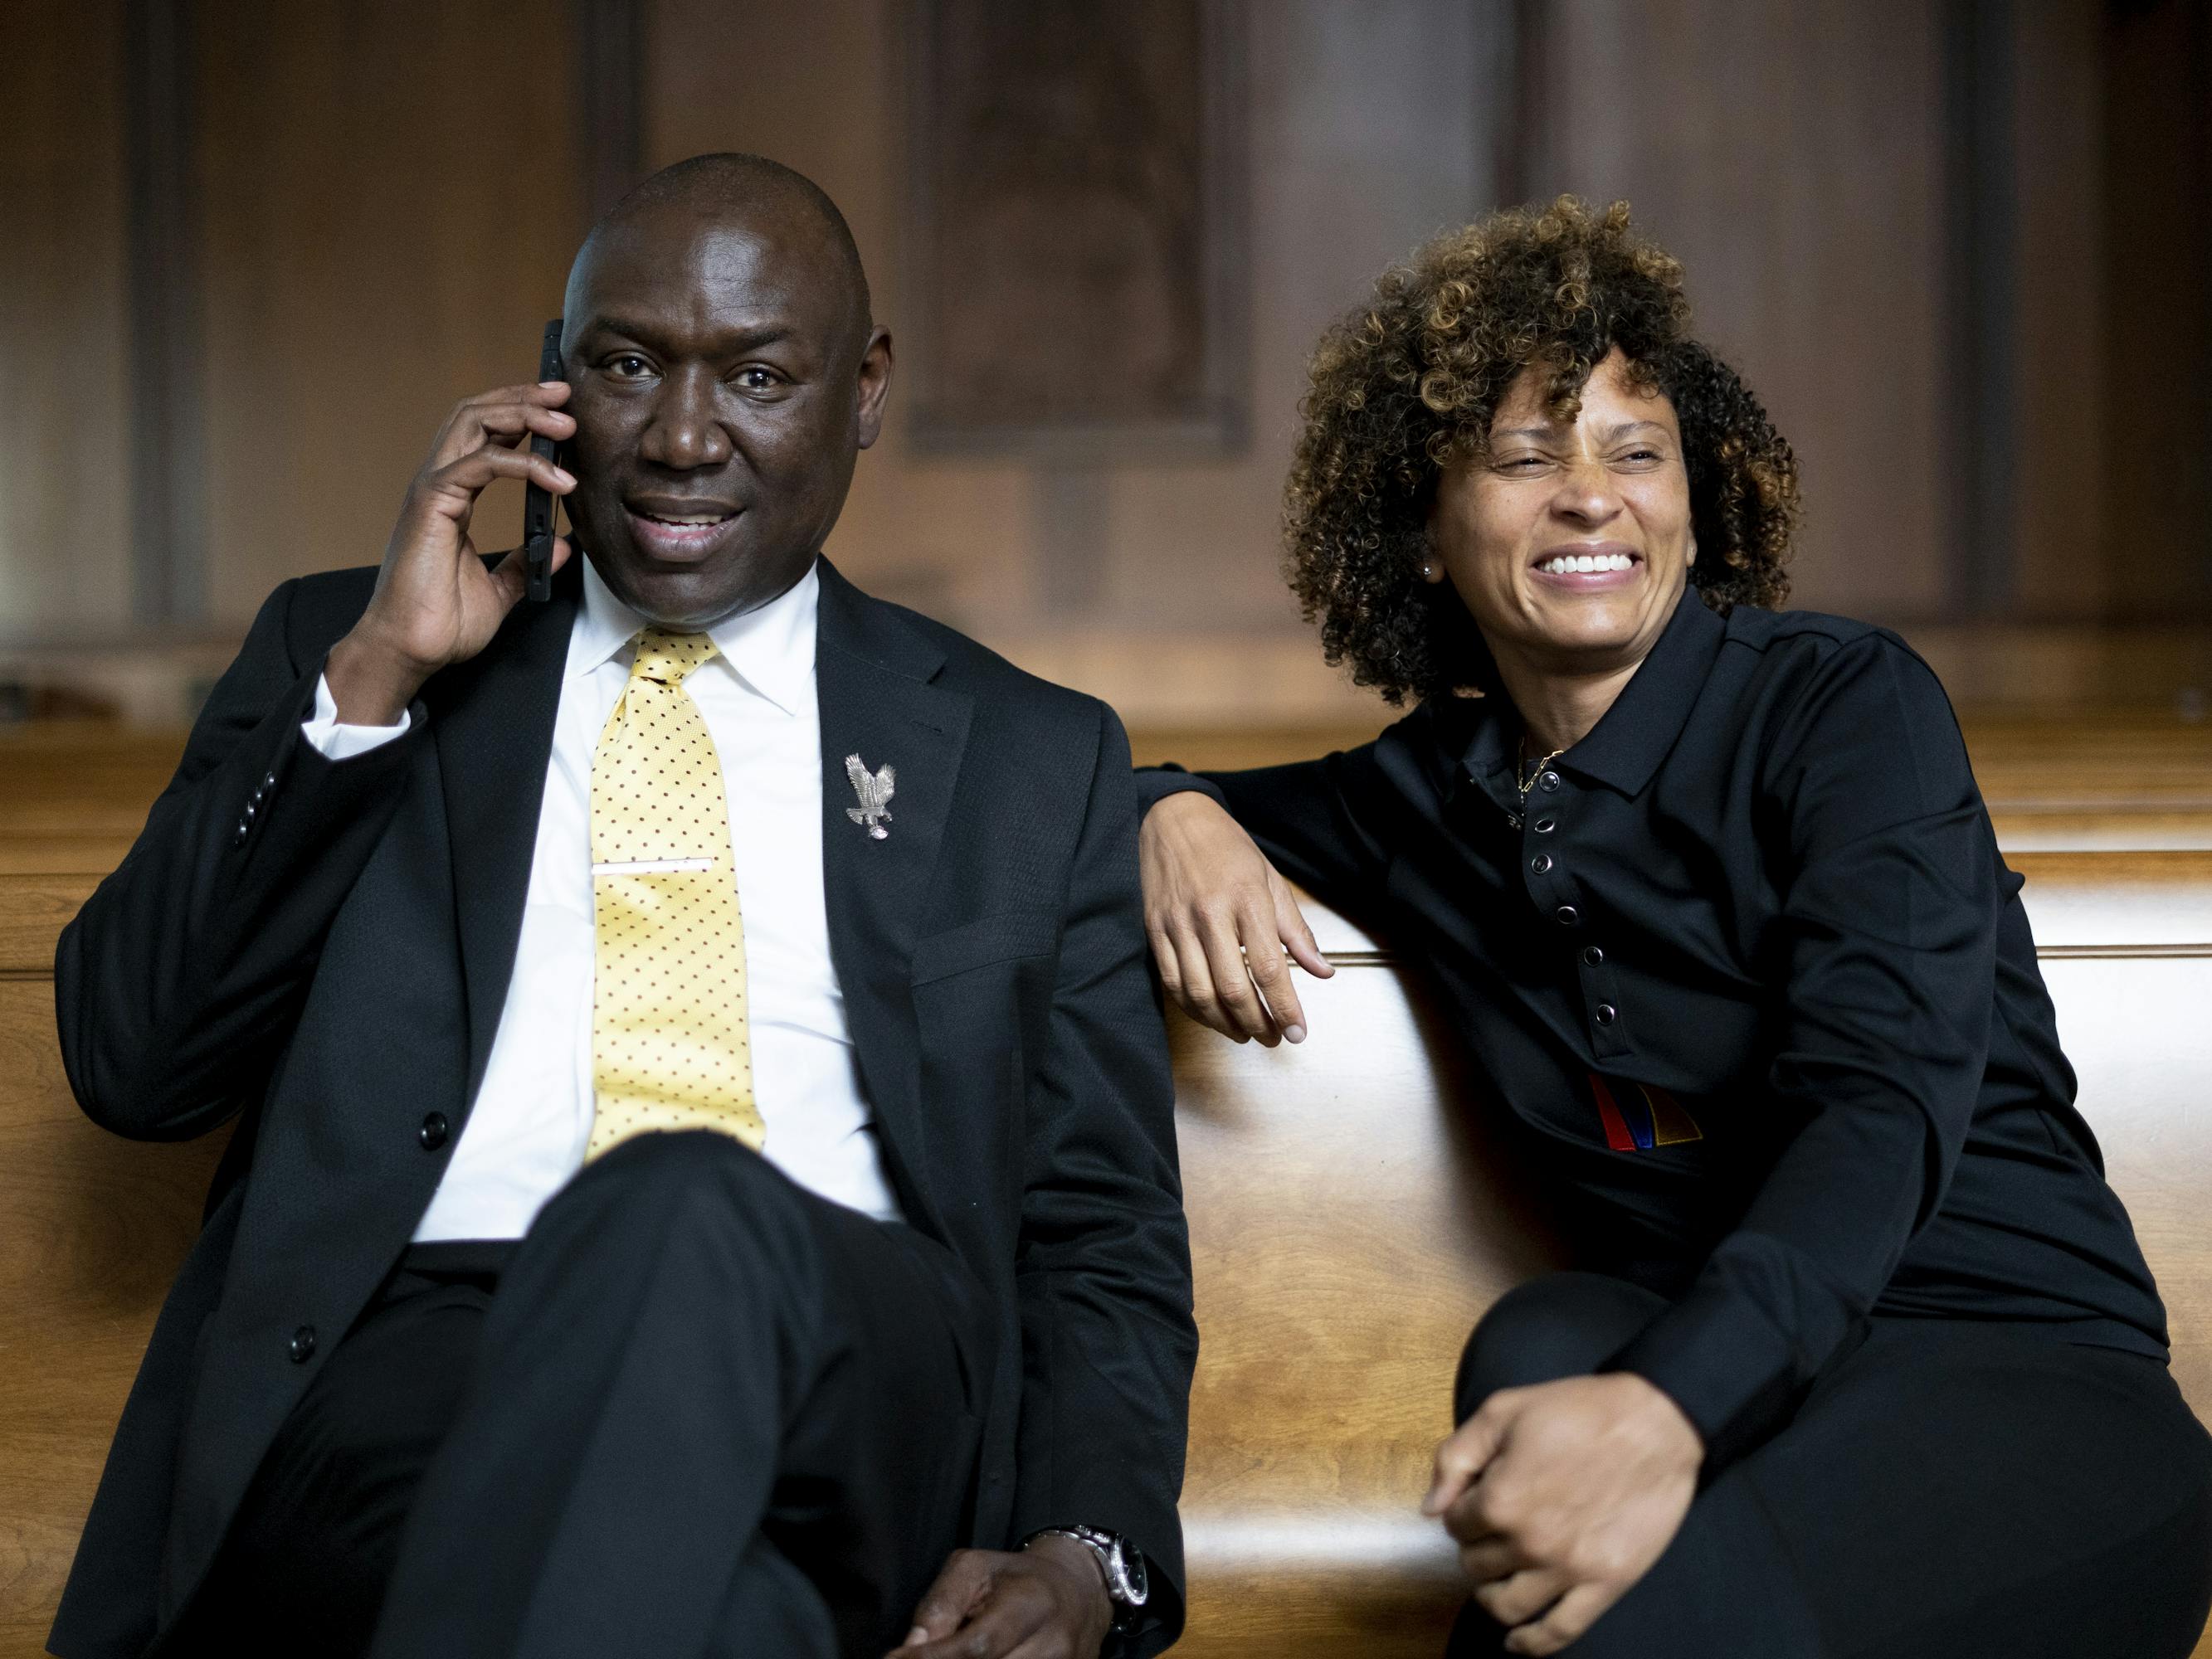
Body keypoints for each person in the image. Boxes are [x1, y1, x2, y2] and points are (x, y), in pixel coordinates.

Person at [49, 153, 1193, 1659]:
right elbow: (137, 1066)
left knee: (677, 1202)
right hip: (427, 1350)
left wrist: (1081, 1553)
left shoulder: (1029, 757)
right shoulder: (355, 659)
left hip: (851, 1353)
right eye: (628, 364)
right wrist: (377, 677)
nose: (680, 438)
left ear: (864, 389)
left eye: (760, 376)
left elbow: (1100, 1233)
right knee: (725, 1618)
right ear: (550, 382)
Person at [1135, 197, 2212, 1657]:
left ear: (1697, 498)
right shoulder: (1417, 793)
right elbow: (1056, 792)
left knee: (1611, 1583)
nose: (1593, 497)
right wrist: (1166, 808)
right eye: (1526, 459)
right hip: (1746, 1389)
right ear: (1421, 526)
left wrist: (1663, 1411)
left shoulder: (1843, 708)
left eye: (1636, 454)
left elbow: (1879, 1105)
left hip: (2026, 1392)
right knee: (1537, 1346)